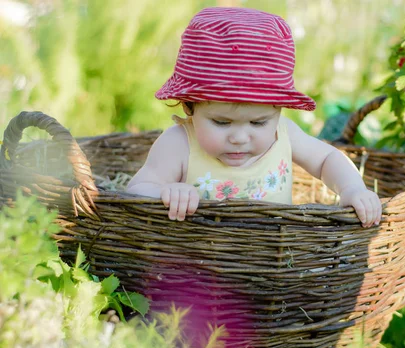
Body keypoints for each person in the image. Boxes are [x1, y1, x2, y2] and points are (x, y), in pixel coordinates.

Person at [127, 7, 381, 227]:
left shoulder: (284, 133)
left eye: (258, 122)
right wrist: (165, 192)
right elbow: (137, 190)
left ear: (279, 110)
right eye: (221, 122)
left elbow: (327, 158)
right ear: (189, 107)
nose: (239, 137)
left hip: (273, 260)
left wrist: (351, 189)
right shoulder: (179, 144)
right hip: (198, 270)